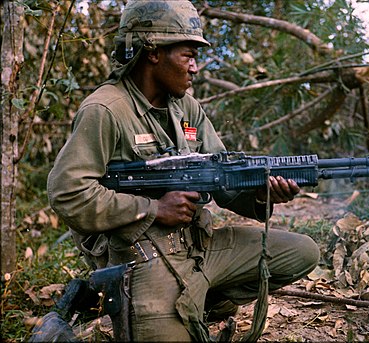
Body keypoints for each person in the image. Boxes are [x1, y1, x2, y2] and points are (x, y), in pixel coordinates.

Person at [47, 0, 320, 341]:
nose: (195, 68)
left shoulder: (186, 106)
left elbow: (222, 176)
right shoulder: (106, 110)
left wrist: (261, 192)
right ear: (153, 53)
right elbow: (68, 193)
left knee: (302, 252)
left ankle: (197, 299)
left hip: (197, 247)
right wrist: (154, 209)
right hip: (141, 255)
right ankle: (120, 306)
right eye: (187, 55)